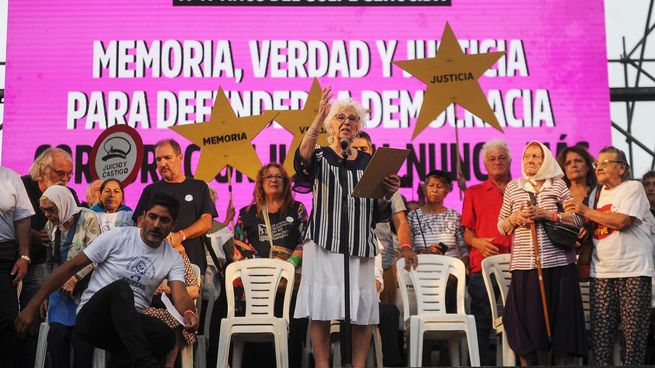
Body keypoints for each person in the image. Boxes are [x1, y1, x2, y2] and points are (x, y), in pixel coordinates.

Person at [16, 192, 200, 368]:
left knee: (164, 335)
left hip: (128, 326)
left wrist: (189, 313)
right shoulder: (118, 237)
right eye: (153, 217)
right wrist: (33, 305)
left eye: (164, 220)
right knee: (121, 288)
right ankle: (146, 364)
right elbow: (70, 267)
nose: (156, 224)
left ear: (173, 225)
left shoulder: (172, 258)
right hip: (94, 320)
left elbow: (180, 294)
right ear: (143, 216)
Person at [293, 86, 402, 368]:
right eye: (340, 117)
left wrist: (388, 193)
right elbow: (302, 157)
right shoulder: (320, 155)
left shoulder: (369, 162)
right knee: (320, 308)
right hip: (323, 242)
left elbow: (379, 212)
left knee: (363, 310)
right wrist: (318, 116)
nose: (346, 122)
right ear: (331, 124)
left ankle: (358, 364)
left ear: (358, 129)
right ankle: (322, 364)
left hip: (359, 244)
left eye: (353, 119)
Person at [498, 141, 586, 365]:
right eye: (527, 156)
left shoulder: (557, 185)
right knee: (527, 326)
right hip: (525, 265)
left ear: (546, 160)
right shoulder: (513, 187)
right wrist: (515, 219)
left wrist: (548, 214)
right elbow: (501, 226)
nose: (531, 160)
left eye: (536, 157)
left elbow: (576, 218)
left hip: (558, 266)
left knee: (561, 325)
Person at [566, 146, 654, 365]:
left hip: (633, 272)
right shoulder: (595, 193)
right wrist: (585, 229)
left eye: (605, 163)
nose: (599, 167)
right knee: (601, 341)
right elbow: (594, 223)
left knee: (634, 342)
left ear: (621, 168)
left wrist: (585, 211)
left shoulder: (633, 188)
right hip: (601, 273)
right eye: (597, 164)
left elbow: (622, 222)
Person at [232, 162, 309, 368]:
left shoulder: (297, 209)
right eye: (269, 177)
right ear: (260, 183)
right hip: (256, 286)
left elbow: (306, 241)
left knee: (290, 334)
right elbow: (238, 246)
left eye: (279, 177)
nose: (274, 180)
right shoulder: (246, 213)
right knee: (257, 340)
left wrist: (290, 264)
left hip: (290, 285)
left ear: (285, 183)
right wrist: (265, 268)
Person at [18, 147, 80, 368]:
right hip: (30, 262)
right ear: (44, 169)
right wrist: (33, 236)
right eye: (60, 173)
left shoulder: (69, 194)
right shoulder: (22, 185)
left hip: (61, 265)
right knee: (31, 319)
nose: (65, 179)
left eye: (69, 175)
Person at [461, 138, 513, 366]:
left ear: (510, 161)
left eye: (502, 158)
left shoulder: (520, 189)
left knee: (520, 320)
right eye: (492, 159)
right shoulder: (474, 192)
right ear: (484, 164)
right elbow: (467, 233)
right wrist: (479, 243)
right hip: (482, 264)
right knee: (482, 321)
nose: (497, 162)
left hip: (516, 265)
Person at [133, 139, 218, 272]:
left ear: (180, 157)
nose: (162, 163)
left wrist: (180, 236)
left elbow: (206, 222)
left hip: (192, 263)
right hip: (156, 265)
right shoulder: (150, 190)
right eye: (158, 159)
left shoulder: (199, 187)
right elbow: (140, 226)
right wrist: (163, 238)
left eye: (167, 158)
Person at [40, 185, 100, 368]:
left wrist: (75, 278)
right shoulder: (50, 225)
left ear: (63, 203)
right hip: (59, 291)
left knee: (82, 338)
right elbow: (49, 263)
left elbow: (97, 255)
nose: (47, 215)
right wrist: (44, 293)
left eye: (51, 209)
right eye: (44, 210)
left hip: (85, 288)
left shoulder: (88, 218)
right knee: (57, 336)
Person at [352, 131, 414, 306]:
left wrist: (406, 247)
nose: (360, 152)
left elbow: (400, 221)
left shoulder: (386, 181)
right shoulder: (344, 179)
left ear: (372, 150)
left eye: (363, 148)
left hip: (384, 260)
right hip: (352, 258)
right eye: (355, 148)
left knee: (386, 314)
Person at [408, 169, 469, 317]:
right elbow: (405, 250)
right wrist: (425, 251)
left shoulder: (455, 217)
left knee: (451, 291)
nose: (435, 189)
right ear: (424, 188)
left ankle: (448, 332)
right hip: (422, 275)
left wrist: (458, 272)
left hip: (451, 277)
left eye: (440, 186)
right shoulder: (412, 217)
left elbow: (465, 252)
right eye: (432, 185)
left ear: (448, 190)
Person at [146, 239, 200, 368]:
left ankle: (168, 365)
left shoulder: (178, 256)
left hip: (173, 307)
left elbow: (194, 290)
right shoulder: (141, 255)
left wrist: (169, 289)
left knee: (174, 317)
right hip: (146, 305)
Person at [0, 166, 34, 367]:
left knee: (7, 318)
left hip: (4, 259)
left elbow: (23, 219)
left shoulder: (10, 177)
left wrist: (25, 256)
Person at [556, 145, 598, 280]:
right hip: (563, 258)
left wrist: (589, 227)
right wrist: (567, 236)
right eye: (568, 163)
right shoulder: (557, 196)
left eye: (578, 161)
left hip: (597, 257)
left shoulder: (599, 192)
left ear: (587, 166)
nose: (573, 165)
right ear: (564, 170)